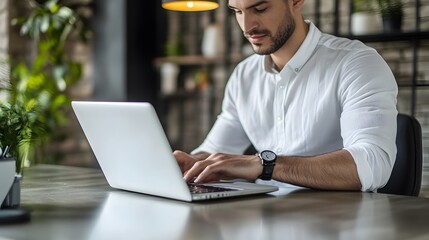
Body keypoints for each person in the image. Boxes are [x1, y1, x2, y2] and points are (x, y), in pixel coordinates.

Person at [173, 0, 398, 192]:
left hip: (340, 223)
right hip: (265, 218)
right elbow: (215, 150)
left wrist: (265, 165)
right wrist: (188, 163)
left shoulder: (356, 63)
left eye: (260, 9)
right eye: (237, 12)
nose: (247, 26)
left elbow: (374, 163)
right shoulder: (244, 75)